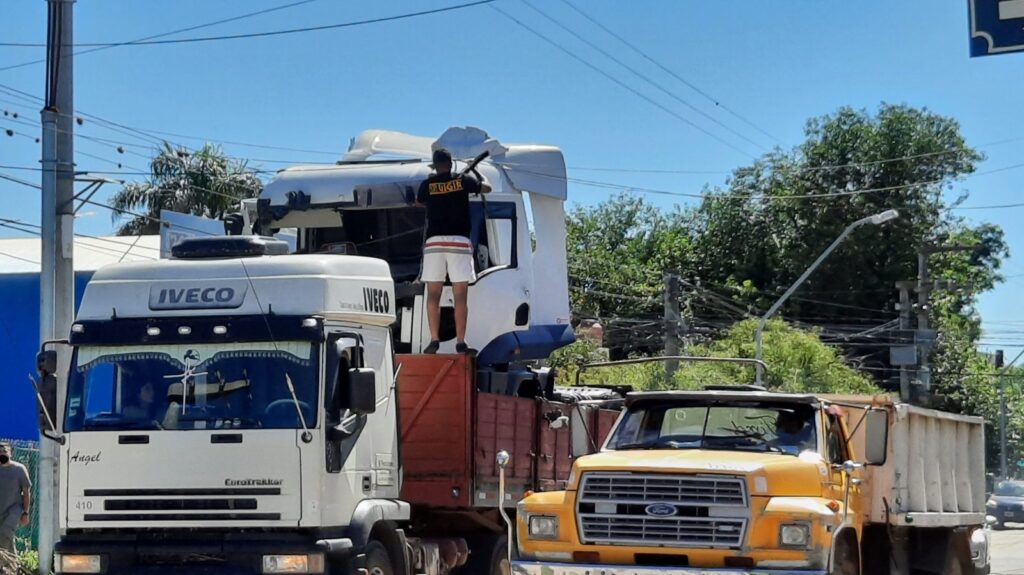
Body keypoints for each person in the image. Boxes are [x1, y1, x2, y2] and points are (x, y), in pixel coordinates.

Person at [416, 148, 491, 354]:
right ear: (450, 164)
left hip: (434, 243)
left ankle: (434, 339)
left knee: (433, 293)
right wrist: (477, 172)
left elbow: (418, 201)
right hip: (459, 241)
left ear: (435, 165)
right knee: (460, 295)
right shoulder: (463, 179)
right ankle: (460, 341)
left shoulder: (428, 184)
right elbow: (487, 188)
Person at [0, 442, 31, 554]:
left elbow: (26, 492)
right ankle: (13, 567)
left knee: (3, 538)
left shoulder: (19, 469)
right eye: (0, 452)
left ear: (10, 453)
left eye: (5, 451)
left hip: (14, 511)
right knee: (8, 540)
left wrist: (26, 513)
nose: (2, 454)